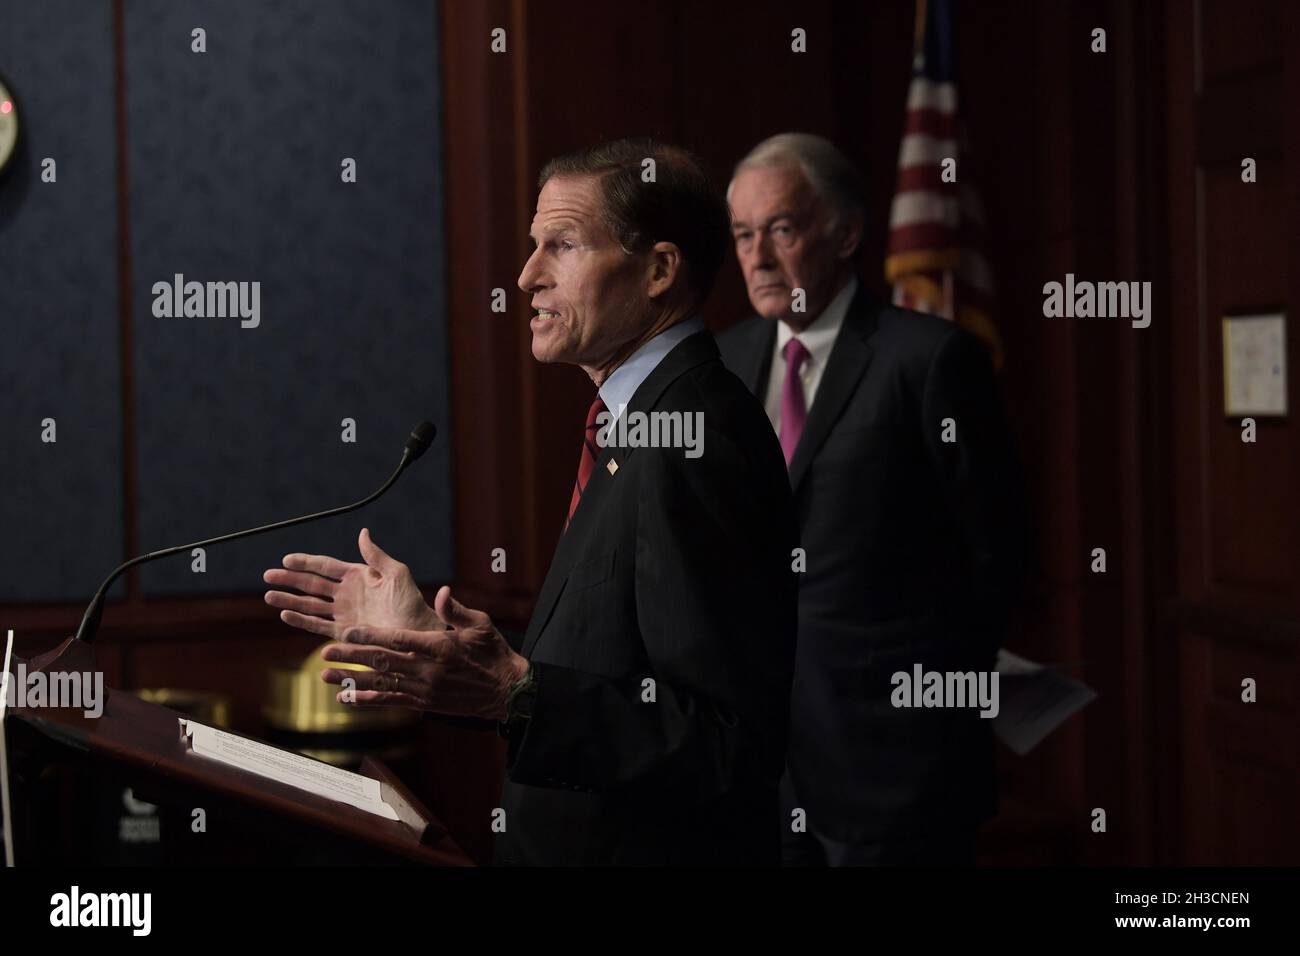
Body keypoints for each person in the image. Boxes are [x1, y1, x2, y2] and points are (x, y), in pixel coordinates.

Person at [262, 138, 798, 866]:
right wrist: (455, 658)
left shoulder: (696, 438)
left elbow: (725, 740)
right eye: (531, 246)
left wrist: (513, 693)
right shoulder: (639, 425)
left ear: (659, 272)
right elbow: (612, 676)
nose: (525, 277)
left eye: (563, 246)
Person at [717, 133, 1026, 865]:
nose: (757, 256)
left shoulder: (927, 359)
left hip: (898, 774)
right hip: (761, 771)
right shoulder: (723, 360)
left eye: (782, 229)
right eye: (741, 234)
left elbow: (998, 556)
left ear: (846, 234)